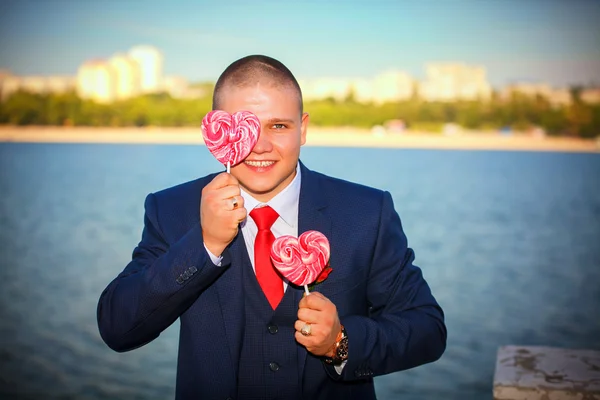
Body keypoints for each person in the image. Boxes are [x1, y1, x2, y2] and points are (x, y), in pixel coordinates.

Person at [97, 55, 446, 400]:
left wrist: (340, 342)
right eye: (243, 127)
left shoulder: (366, 212)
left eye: (278, 126)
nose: (260, 146)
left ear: (303, 128)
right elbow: (117, 328)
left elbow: (427, 329)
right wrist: (204, 243)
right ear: (218, 130)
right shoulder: (172, 209)